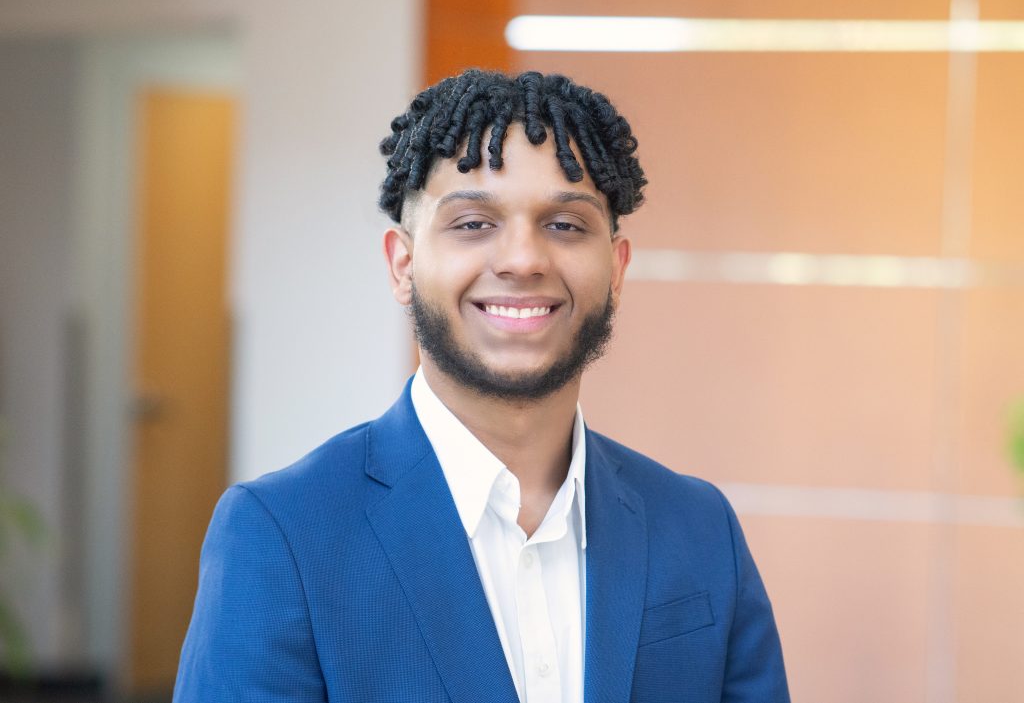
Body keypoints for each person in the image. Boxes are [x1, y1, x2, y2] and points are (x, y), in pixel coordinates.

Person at [173, 69, 790, 703]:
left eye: (566, 225)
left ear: (617, 270)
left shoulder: (699, 529)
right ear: (403, 265)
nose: (522, 260)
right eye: (472, 224)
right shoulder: (284, 536)